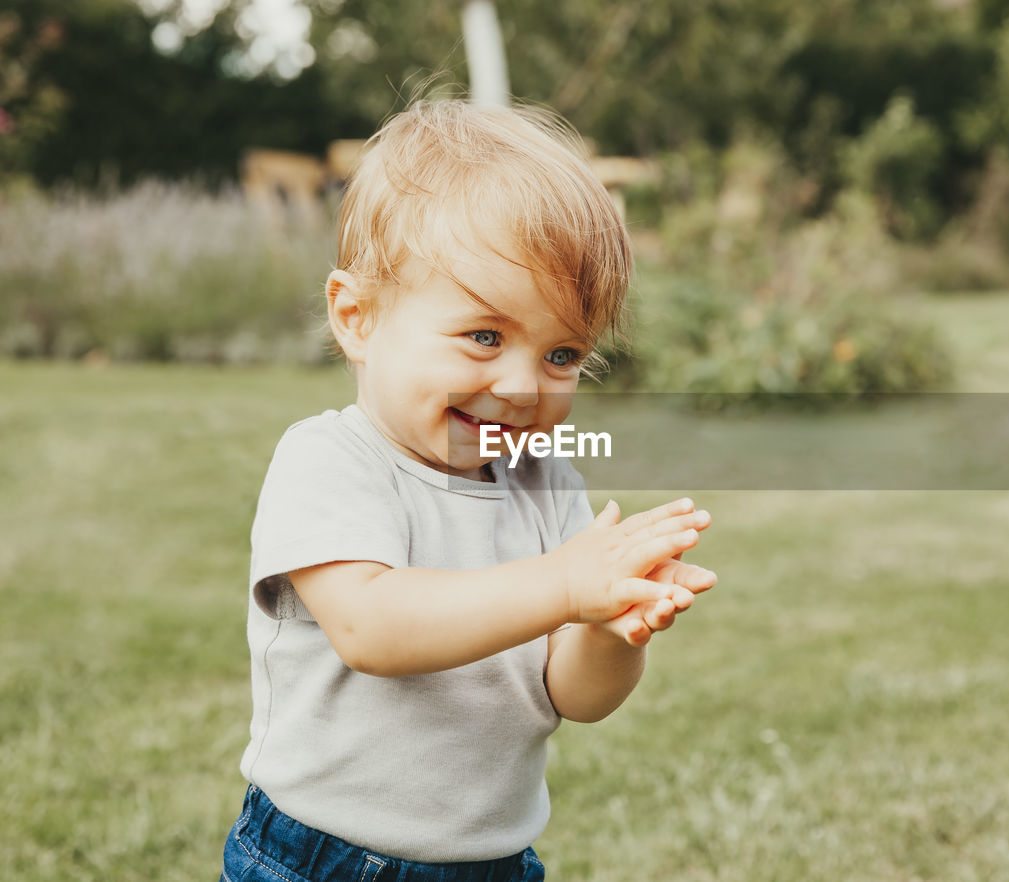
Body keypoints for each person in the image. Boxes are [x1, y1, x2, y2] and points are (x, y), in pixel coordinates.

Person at [220, 98, 716, 882]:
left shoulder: (548, 488)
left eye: (562, 355)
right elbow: (374, 629)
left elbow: (572, 697)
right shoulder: (330, 460)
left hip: (491, 863)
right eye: (484, 337)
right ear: (357, 317)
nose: (523, 386)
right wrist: (562, 583)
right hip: (322, 859)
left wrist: (611, 626)